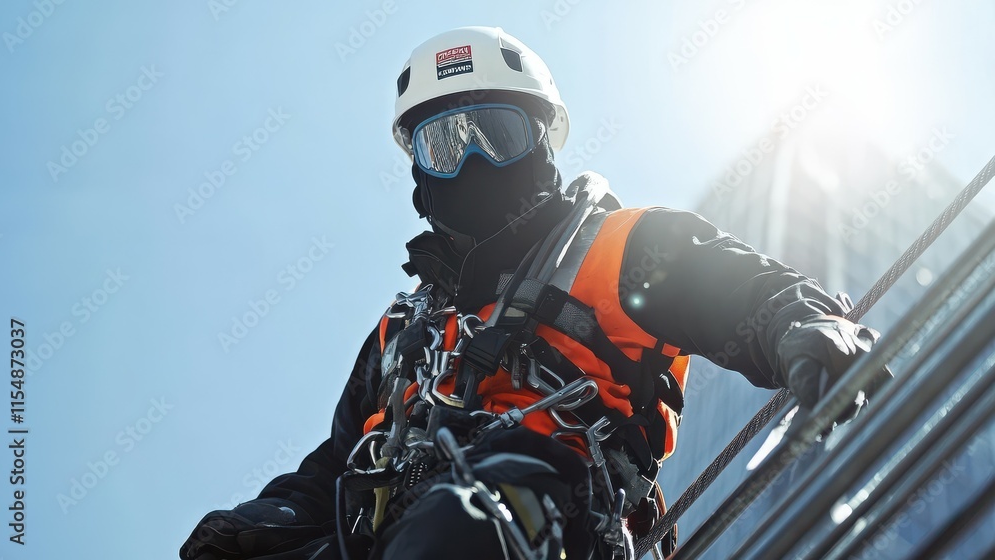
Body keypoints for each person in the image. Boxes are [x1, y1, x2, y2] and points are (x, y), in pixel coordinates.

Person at [180, 26, 884, 560]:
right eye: (448, 147)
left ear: (543, 141)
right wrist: (254, 526)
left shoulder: (624, 247)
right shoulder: (401, 336)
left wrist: (804, 327)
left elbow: (744, 294)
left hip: (547, 510)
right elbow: (333, 469)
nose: (477, 162)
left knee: (462, 521)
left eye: (498, 134)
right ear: (420, 178)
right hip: (388, 529)